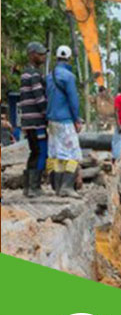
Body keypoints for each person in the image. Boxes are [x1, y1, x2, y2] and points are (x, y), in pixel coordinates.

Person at [45, 45, 83, 198]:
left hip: (52, 120)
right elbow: (73, 101)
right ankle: (67, 187)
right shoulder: (69, 77)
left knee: (57, 154)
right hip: (66, 120)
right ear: (69, 58)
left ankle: (57, 187)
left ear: (56, 58)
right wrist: (77, 119)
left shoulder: (49, 76)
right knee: (73, 154)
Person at [19, 42, 49, 198]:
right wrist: (47, 115)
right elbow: (40, 98)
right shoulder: (35, 75)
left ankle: (27, 187)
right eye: (40, 54)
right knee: (42, 152)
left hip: (27, 121)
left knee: (34, 152)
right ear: (32, 54)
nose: (43, 56)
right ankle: (34, 187)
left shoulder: (25, 74)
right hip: (37, 121)